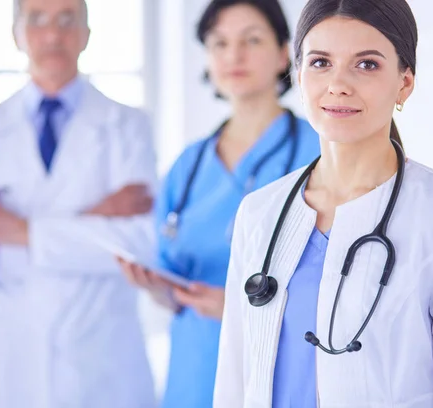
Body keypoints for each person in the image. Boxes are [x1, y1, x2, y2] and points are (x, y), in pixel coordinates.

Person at [213, 0, 433, 406]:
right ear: (298, 75)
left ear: (404, 82)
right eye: (320, 63)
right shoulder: (259, 212)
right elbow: (234, 380)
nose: (338, 84)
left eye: (366, 64)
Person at [0, 0, 156, 407]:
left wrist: (18, 230)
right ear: (16, 33)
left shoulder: (128, 125)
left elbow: (138, 243)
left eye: (67, 20)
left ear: (87, 34)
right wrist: (94, 218)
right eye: (37, 19)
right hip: (9, 362)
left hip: (102, 361)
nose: (53, 34)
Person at [118, 1, 321, 407]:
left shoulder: (318, 153)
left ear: (285, 53)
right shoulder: (187, 165)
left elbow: (342, 287)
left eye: (252, 39)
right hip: (193, 373)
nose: (234, 55)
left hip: (278, 373)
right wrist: (158, 288)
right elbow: (168, 270)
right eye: (219, 43)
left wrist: (239, 307)